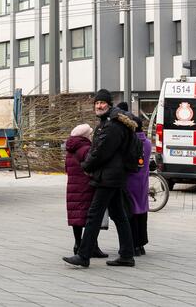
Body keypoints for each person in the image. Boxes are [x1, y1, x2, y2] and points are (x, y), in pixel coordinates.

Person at [64, 89, 136, 268]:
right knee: (119, 214)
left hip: (108, 176)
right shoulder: (112, 122)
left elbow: (101, 152)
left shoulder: (111, 126)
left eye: (102, 102)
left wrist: (86, 165)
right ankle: (127, 255)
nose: (99, 105)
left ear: (109, 105)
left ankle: (84, 255)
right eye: (96, 103)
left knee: (94, 214)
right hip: (114, 175)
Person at [64, 124, 108, 259]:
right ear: (85, 136)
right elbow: (92, 166)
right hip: (86, 186)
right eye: (89, 133)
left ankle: (77, 244)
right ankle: (93, 246)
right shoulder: (86, 148)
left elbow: (67, 168)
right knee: (91, 217)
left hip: (73, 187)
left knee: (76, 216)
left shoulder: (70, 149)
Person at [125, 115, 152, 256]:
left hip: (130, 182)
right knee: (142, 213)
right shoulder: (147, 143)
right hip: (143, 182)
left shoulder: (130, 143)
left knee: (132, 214)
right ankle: (141, 244)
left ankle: (134, 245)